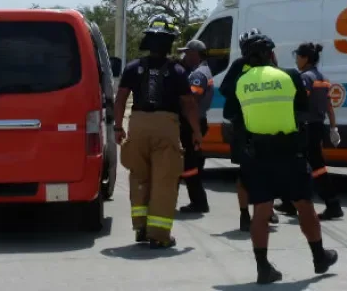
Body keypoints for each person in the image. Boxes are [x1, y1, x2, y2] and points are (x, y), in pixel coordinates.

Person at [235, 31, 339, 284]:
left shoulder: (242, 82)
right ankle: (319, 257)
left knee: (261, 210)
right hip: (289, 152)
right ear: (270, 53)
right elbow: (303, 109)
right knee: (304, 204)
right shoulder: (290, 76)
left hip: (258, 153)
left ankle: (262, 267)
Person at [114, 15, 204, 249]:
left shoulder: (133, 67)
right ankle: (159, 235)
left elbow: (121, 97)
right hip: (166, 126)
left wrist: (117, 126)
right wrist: (196, 132)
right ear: (169, 44)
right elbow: (189, 104)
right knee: (164, 181)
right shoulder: (177, 70)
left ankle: (141, 228)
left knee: (139, 177)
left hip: (138, 124)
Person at [275, 42, 344, 220]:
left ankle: (332, 203)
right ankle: (290, 203)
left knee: (302, 164)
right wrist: (333, 127)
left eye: (298, 56)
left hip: (305, 127)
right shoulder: (323, 78)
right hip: (317, 126)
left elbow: (298, 101)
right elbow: (329, 106)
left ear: (305, 58)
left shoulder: (305, 78)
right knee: (306, 164)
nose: (297, 60)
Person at [219, 29, 279, 232]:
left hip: (256, 126)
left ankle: (261, 212)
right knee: (256, 172)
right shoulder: (243, 66)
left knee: (259, 172)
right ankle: (249, 214)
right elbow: (225, 89)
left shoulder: (267, 66)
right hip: (249, 126)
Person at [176, 39, 212, 213]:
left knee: (190, 165)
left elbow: (191, 102)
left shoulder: (198, 75)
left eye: (187, 53)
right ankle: (198, 201)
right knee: (191, 164)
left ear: (195, 54)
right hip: (194, 122)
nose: (185, 56)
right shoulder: (199, 71)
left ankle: (199, 202)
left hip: (193, 123)